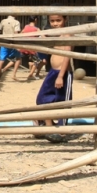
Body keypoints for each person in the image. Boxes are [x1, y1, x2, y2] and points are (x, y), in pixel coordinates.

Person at [34, 12, 73, 142]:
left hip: (63, 73)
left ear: (65, 19)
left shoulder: (68, 35)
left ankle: (61, 131)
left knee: (63, 102)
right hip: (52, 72)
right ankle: (47, 125)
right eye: (52, 21)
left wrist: (61, 76)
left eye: (58, 20)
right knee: (42, 98)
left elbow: (66, 56)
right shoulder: (56, 34)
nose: (55, 23)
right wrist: (43, 36)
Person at [0, 15, 21, 82]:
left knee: (1, 60)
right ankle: (14, 75)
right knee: (18, 58)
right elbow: (16, 33)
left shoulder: (3, 21)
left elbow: (0, 28)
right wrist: (18, 44)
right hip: (13, 43)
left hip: (4, 42)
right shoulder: (16, 22)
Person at [19, 16, 41, 81]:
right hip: (32, 48)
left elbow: (20, 34)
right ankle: (31, 74)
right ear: (35, 20)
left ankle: (5, 69)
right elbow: (43, 36)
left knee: (16, 59)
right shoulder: (37, 29)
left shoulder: (26, 27)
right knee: (37, 61)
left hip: (24, 47)